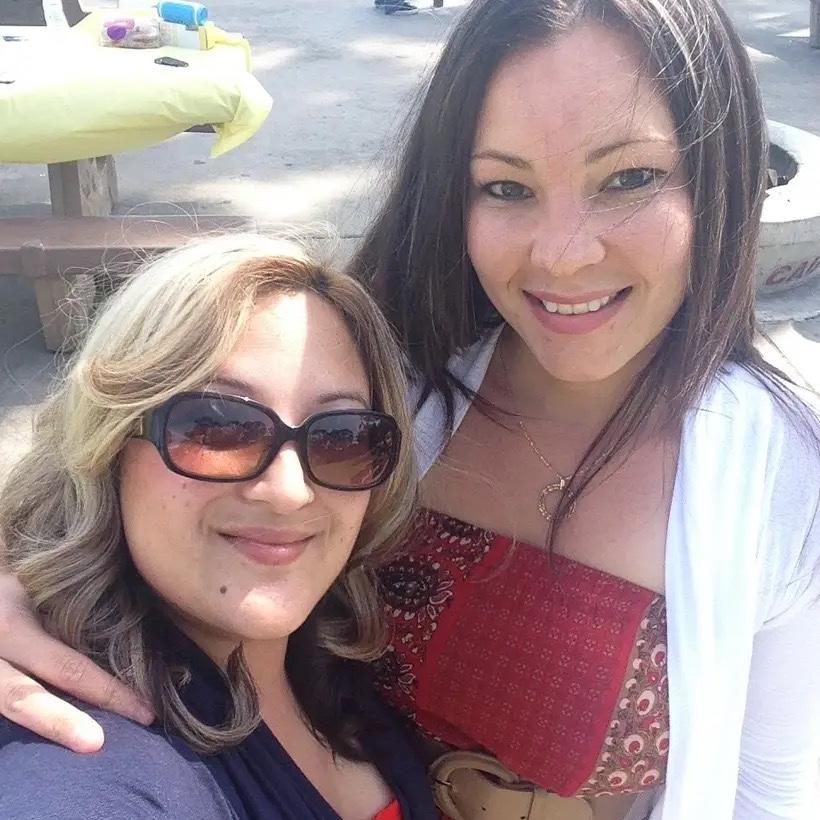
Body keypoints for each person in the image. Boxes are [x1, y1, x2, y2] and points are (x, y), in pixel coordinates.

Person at [0, 1, 819, 818]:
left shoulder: (783, 472)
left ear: (720, 175)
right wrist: (19, 584)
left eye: (629, 179)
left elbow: (769, 791)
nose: (564, 254)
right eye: (506, 187)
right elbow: (101, 470)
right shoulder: (377, 376)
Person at [0, 235, 437, 820]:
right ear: (109, 445)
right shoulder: (82, 763)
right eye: (217, 428)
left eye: (342, 436)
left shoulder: (341, 653)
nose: (290, 491)